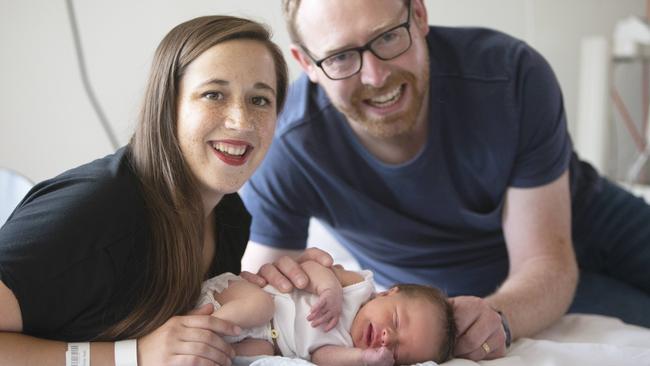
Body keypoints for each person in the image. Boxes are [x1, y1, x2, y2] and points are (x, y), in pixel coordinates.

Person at [239, 0, 650, 362]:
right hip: (478, 286)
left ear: (418, 15)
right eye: (342, 57)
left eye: (387, 37)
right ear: (307, 63)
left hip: (590, 214)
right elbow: (258, 292)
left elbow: (546, 260)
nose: (376, 76)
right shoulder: (287, 147)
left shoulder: (509, 74)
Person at [0, 15, 288, 365]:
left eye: (260, 100)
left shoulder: (230, 218)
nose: (241, 121)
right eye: (214, 94)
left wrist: (296, 311)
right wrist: (132, 355)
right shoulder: (96, 211)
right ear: (168, 106)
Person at [200, 261, 456, 365]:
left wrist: (363, 357)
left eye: (397, 351)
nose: (388, 337)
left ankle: (198, 347)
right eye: (396, 320)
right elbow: (309, 267)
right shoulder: (357, 286)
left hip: (264, 341)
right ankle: (198, 326)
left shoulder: (350, 351)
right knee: (261, 306)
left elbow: (321, 356)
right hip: (241, 298)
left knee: (253, 356)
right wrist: (329, 289)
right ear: (389, 293)